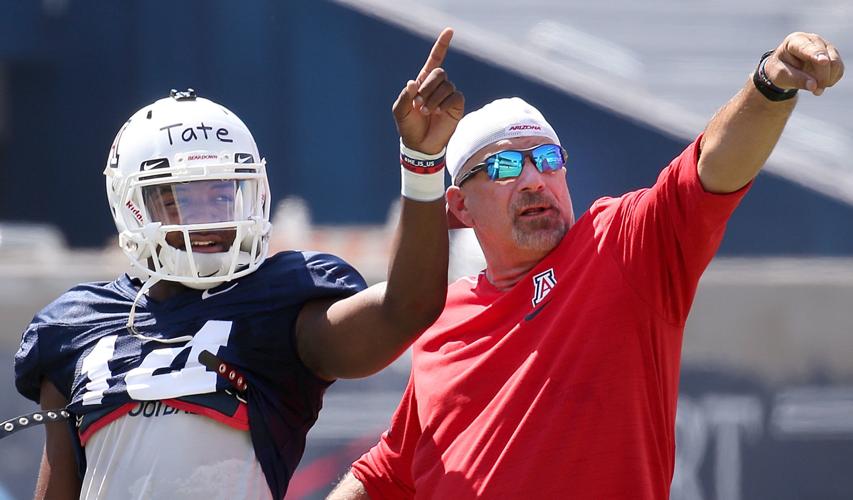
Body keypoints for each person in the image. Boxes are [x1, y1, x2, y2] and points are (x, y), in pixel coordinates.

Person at [328, 31, 844, 499]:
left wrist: (771, 84)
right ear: (460, 208)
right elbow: (388, 474)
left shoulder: (619, 246)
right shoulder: (442, 317)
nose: (534, 178)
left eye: (548, 160)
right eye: (506, 165)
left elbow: (711, 168)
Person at [13, 29, 464, 500]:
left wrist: (422, 161)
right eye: (183, 198)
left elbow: (406, 308)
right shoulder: (75, 326)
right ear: (132, 205)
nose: (210, 219)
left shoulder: (280, 306)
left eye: (224, 194)